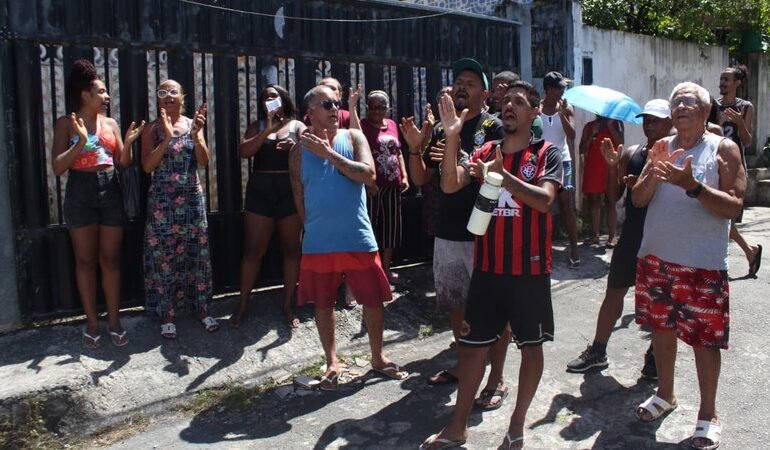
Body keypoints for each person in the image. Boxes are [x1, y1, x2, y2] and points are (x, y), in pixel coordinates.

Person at [421, 81, 562, 450]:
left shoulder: (546, 153)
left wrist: (503, 177)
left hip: (529, 273)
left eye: (520, 101)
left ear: (534, 112)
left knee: (530, 347)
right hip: (487, 271)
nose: (509, 105)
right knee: (470, 349)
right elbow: (450, 185)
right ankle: (457, 428)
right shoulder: (484, 151)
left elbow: (545, 201)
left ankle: (516, 427)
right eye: (506, 101)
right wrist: (453, 136)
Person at [631, 82, 745, 450]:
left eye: (689, 100)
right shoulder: (661, 146)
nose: (680, 105)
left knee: (703, 342)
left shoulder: (722, 148)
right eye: (676, 100)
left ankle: (708, 414)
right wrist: (654, 169)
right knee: (661, 331)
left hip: (701, 265)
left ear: (707, 110)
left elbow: (734, 206)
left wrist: (693, 186)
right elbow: (638, 199)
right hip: (656, 259)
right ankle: (665, 394)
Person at [402, 58, 509, 411]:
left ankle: (496, 378)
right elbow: (420, 178)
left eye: (470, 82)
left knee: (494, 308)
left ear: (485, 94)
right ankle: (464, 366)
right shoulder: (439, 128)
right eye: (459, 81)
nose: (461, 86)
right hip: (448, 230)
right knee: (455, 304)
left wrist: (461, 154)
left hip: (485, 231)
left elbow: (496, 173)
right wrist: (414, 147)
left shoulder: (494, 127)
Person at [289, 85, 407, 390]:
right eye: (326, 104)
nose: (334, 109)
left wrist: (329, 154)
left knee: (373, 298)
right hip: (319, 241)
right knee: (323, 302)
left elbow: (368, 175)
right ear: (310, 112)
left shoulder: (353, 137)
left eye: (336, 103)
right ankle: (332, 362)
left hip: (357, 235)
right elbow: (299, 195)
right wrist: (311, 227)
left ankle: (377, 357)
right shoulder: (297, 152)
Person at [566, 99, 672, 376]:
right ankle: (598, 350)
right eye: (646, 120)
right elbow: (613, 197)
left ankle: (654, 356)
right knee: (614, 293)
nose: (649, 125)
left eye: (656, 120)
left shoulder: (678, 156)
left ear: (669, 123)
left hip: (663, 241)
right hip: (632, 237)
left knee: (659, 303)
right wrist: (613, 165)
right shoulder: (633, 153)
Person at [52, 59, 144, 348]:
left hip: (110, 189)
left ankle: (114, 321)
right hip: (80, 190)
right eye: (101, 92)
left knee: (111, 260)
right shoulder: (66, 124)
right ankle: (92, 323)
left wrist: (128, 143)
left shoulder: (111, 123)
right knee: (85, 261)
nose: (107, 96)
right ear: (85, 95)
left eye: (106, 92)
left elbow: (122, 163)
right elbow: (57, 167)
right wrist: (80, 142)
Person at [141, 79, 218, 339]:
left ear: (182, 97)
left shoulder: (192, 124)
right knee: (164, 257)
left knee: (196, 254)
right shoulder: (151, 129)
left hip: (191, 200)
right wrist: (165, 137)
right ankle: (167, 314)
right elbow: (147, 167)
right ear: (157, 99)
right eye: (162, 92)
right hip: (162, 203)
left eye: (173, 91)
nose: (168, 96)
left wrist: (196, 136)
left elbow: (204, 160)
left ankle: (201, 308)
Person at [230, 85, 306, 328]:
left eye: (274, 96)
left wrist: (294, 147)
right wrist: (267, 131)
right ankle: (242, 304)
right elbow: (244, 152)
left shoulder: (297, 126)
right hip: (260, 191)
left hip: (288, 191)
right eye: (265, 97)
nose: (269, 100)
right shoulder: (257, 126)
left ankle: (288, 305)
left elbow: (312, 153)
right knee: (253, 250)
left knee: (291, 250)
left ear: (284, 100)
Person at [717, 65, 762, 276]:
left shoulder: (745, 107)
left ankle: (722, 264)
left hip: (735, 168)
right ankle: (750, 251)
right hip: (715, 164)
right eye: (721, 79)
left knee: (725, 216)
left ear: (737, 83)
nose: (722, 83)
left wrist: (739, 122)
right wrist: (719, 123)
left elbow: (747, 140)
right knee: (719, 216)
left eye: (726, 79)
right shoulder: (713, 105)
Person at [360, 90, 408, 283]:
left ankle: (386, 268)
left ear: (388, 108)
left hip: (392, 185)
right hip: (371, 186)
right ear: (367, 108)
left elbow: (399, 153)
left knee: (391, 228)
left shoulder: (393, 125)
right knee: (369, 227)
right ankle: (369, 270)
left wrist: (404, 175)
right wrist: (368, 182)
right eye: (373, 107)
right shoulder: (362, 126)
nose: (377, 111)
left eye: (381, 107)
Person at [540, 71, 580, 267]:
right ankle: (543, 248)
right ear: (548, 89)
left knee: (566, 205)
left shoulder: (567, 108)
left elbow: (571, 135)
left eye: (563, 88)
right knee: (543, 205)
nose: (562, 92)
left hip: (563, 161)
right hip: (542, 161)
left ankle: (574, 248)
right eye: (559, 88)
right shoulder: (537, 109)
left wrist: (563, 115)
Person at [579, 115, 624, 246]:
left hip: (610, 166)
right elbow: (582, 149)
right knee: (594, 200)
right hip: (593, 166)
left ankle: (612, 236)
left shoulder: (616, 124)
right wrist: (592, 134)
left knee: (611, 200)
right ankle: (595, 235)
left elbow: (620, 144)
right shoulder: (589, 126)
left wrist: (610, 126)